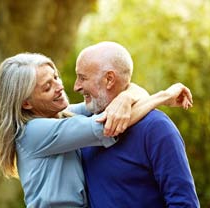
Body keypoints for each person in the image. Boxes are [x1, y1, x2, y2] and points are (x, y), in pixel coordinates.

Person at [0, 52, 193, 208]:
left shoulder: (62, 115)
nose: (61, 87)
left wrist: (125, 97)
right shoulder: (33, 132)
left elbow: (124, 94)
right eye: (47, 87)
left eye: (56, 77)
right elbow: (110, 124)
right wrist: (165, 96)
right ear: (26, 104)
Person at [74, 41, 199, 207]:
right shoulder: (83, 126)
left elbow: (184, 203)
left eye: (83, 78)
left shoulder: (156, 128)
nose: (76, 87)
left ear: (109, 79)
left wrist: (130, 95)